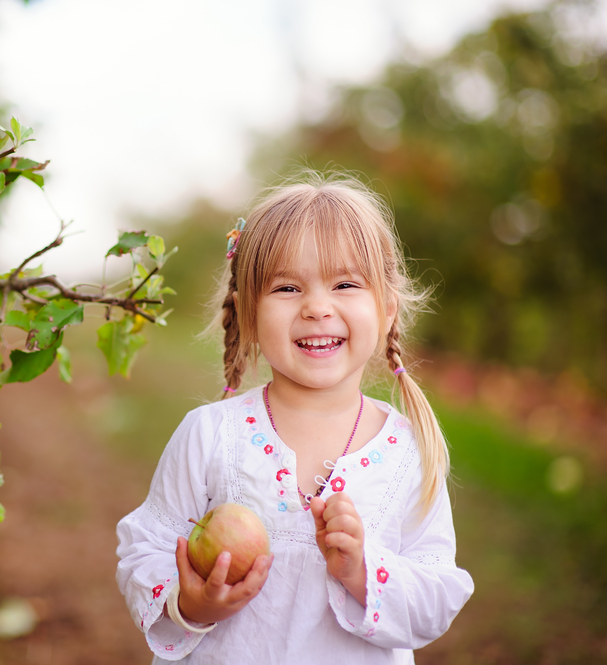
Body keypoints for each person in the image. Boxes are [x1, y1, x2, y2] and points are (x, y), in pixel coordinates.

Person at [116, 174, 474, 663]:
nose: (317, 308)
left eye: (345, 284)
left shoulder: (408, 451)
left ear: (387, 309)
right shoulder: (210, 435)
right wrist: (191, 601)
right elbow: (145, 549)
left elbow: (437, 596)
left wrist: (362, 569)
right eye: (287, 287)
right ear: (246, 314)